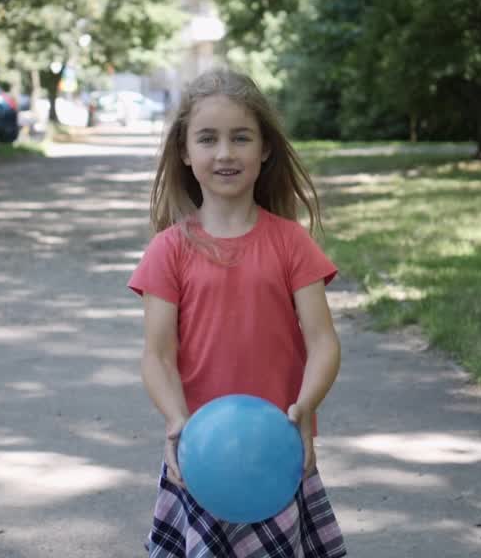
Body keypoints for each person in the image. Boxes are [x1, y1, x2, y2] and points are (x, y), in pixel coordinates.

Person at [128, 69, 347, 558]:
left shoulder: (292, 243)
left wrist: (305, 411)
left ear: (264, 148)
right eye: (208, 139)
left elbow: (323, 342)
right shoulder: (168, 251)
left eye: (240, 138)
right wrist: (176, 423)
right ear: (185, 152)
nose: (224, 153)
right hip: (201, 455)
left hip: (276, 453)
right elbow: (157, 356)